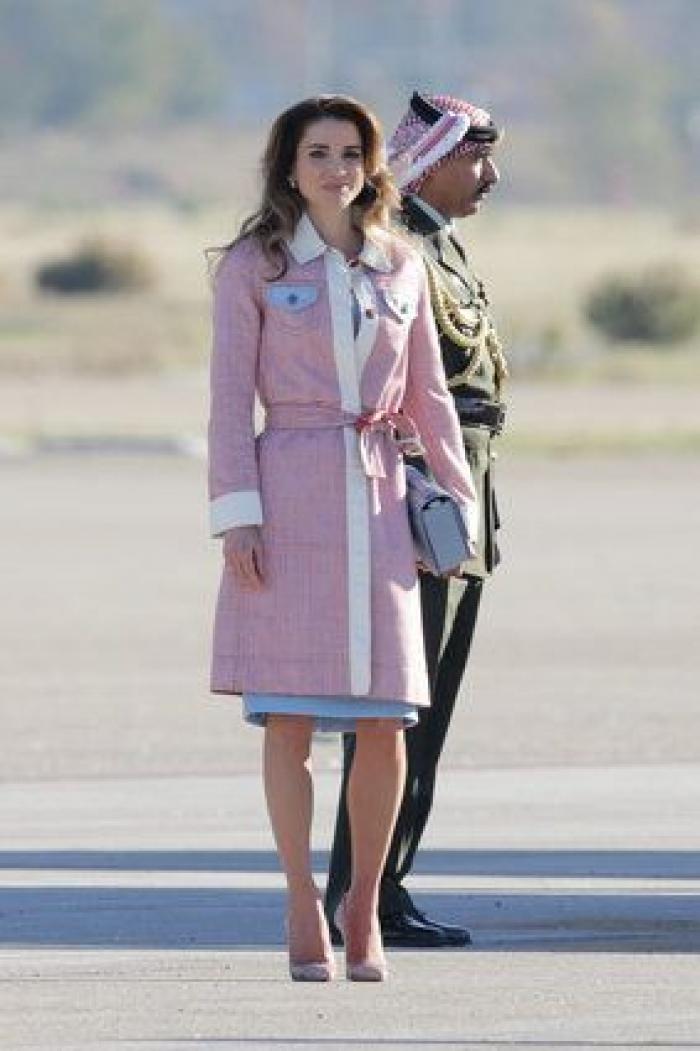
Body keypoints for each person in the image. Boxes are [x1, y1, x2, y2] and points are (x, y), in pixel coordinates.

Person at [207, 95, 479, 982]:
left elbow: (430, 395)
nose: (335, 168)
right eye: (317, 152)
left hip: (378, 498)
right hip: (287, 492)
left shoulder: (401, 265)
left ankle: (361, 904)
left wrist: (457, 502)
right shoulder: (254, 264)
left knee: (387, 719)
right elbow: (224, 404)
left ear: (372, 164)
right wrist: (237, 513)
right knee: (288, 718)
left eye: (350, 152)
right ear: (287, 165)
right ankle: (298, 899)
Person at [325, 91, 507, 949]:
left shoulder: (441, 248)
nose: (492, 176)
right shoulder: (399, 254)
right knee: (400, 712)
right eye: (478, 158)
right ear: (432, 160)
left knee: (427, 716)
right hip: (420, 508)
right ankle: (362, 893)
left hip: (462, 502)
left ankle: (384, 886)